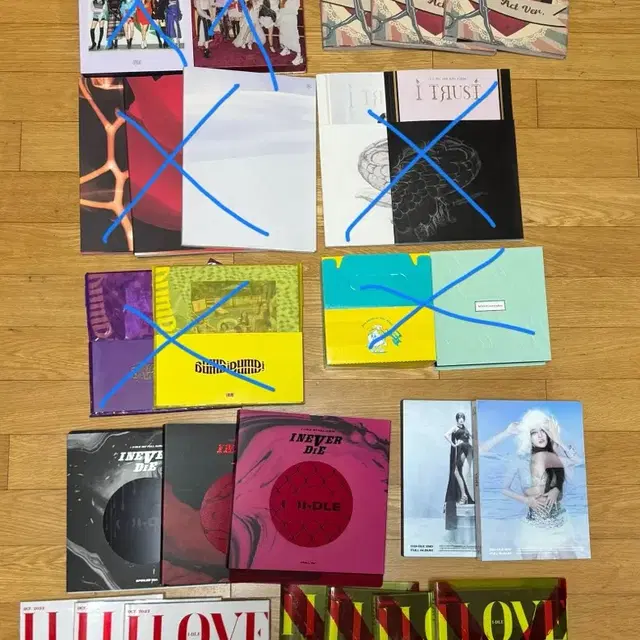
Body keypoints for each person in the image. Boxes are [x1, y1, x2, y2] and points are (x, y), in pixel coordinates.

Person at [480, 409, 581, 560]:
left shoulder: (556, 457)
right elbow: (502, 487)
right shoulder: (519, 461)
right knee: (528, 568)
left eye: (543, 430)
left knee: (572, 565)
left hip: (559, 524)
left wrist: (558, 439)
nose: (540, 435)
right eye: (534, 432)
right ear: (527, 437)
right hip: (532, 526)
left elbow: (578, 462)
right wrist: (526, 500)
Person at [443, 412, 474, 530]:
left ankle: (464, 495)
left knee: (458, 471)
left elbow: (472, 437)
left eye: (462, 418)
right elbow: (446, 435)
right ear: (457, 419)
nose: (461, 420)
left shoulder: (466, 429)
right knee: (459, 471)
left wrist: (458, 444)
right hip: (463, 448)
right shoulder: (455, 428)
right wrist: (453, 444)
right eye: (459, 418)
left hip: (464, 448)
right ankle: (464, 495)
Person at [276, 0, 303, 66]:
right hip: (284, 17)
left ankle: (299, 56)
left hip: (291, 18)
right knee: (284, 34)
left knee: (293, 36)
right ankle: (286, 48)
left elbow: (293, 10)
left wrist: (282, 11)